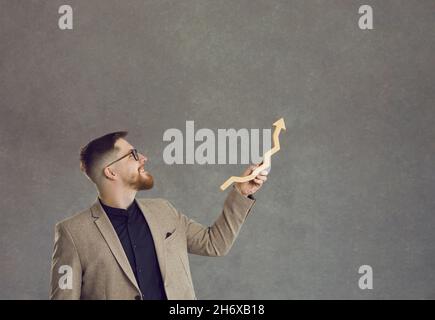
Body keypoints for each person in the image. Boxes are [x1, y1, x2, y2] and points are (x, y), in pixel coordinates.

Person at [50, 131, 268, 299]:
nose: (143, 158)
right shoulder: (72, 233)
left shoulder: (164, 211)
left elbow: (215, 244)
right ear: (111, 171)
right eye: (133, 154)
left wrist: (241, 191)